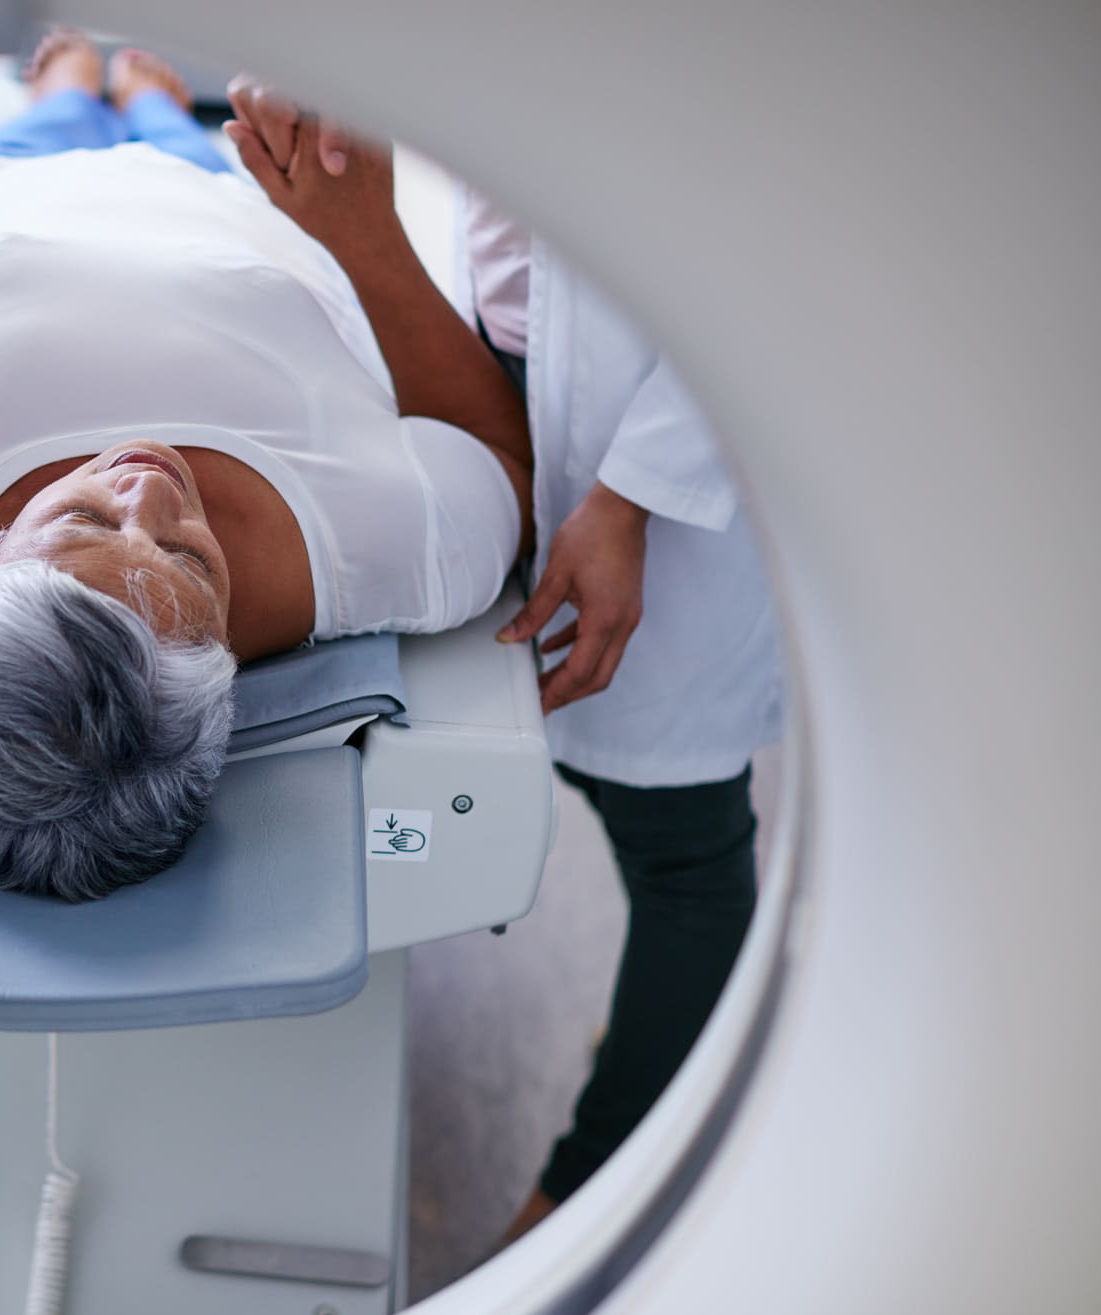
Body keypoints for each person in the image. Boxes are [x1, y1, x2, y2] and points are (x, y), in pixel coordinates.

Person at [0, 33, 535, 902]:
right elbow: (497, 455)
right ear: (226, 671)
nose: (151, 486)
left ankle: (70, 84)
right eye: (194, 561)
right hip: (218, 210)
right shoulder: (391, 555)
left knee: (50, 109)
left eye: (81, 521)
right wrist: (367, 237)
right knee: (172, 127)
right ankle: (144, 99)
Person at [224, 81, 782, 1238]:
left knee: (681, 839)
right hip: (511, 336)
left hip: (647, 411)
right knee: (566, 739)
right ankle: (668, 1032)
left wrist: (628, 498)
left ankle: (593, 1191)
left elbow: (777, 251)